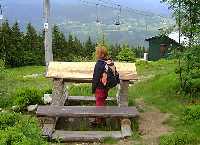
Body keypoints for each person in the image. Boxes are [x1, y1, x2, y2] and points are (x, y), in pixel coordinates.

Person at [91, 45, 108, 126]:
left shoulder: (99, 64)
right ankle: (103, 119)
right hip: (106, 88)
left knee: (99, 103)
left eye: (97, 53)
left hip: (99, 88)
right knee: (102, 102)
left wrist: (93, 89)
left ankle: (98, 121)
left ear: (101, 54)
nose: (96, 54)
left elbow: (95, 78)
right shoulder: (107, 63)